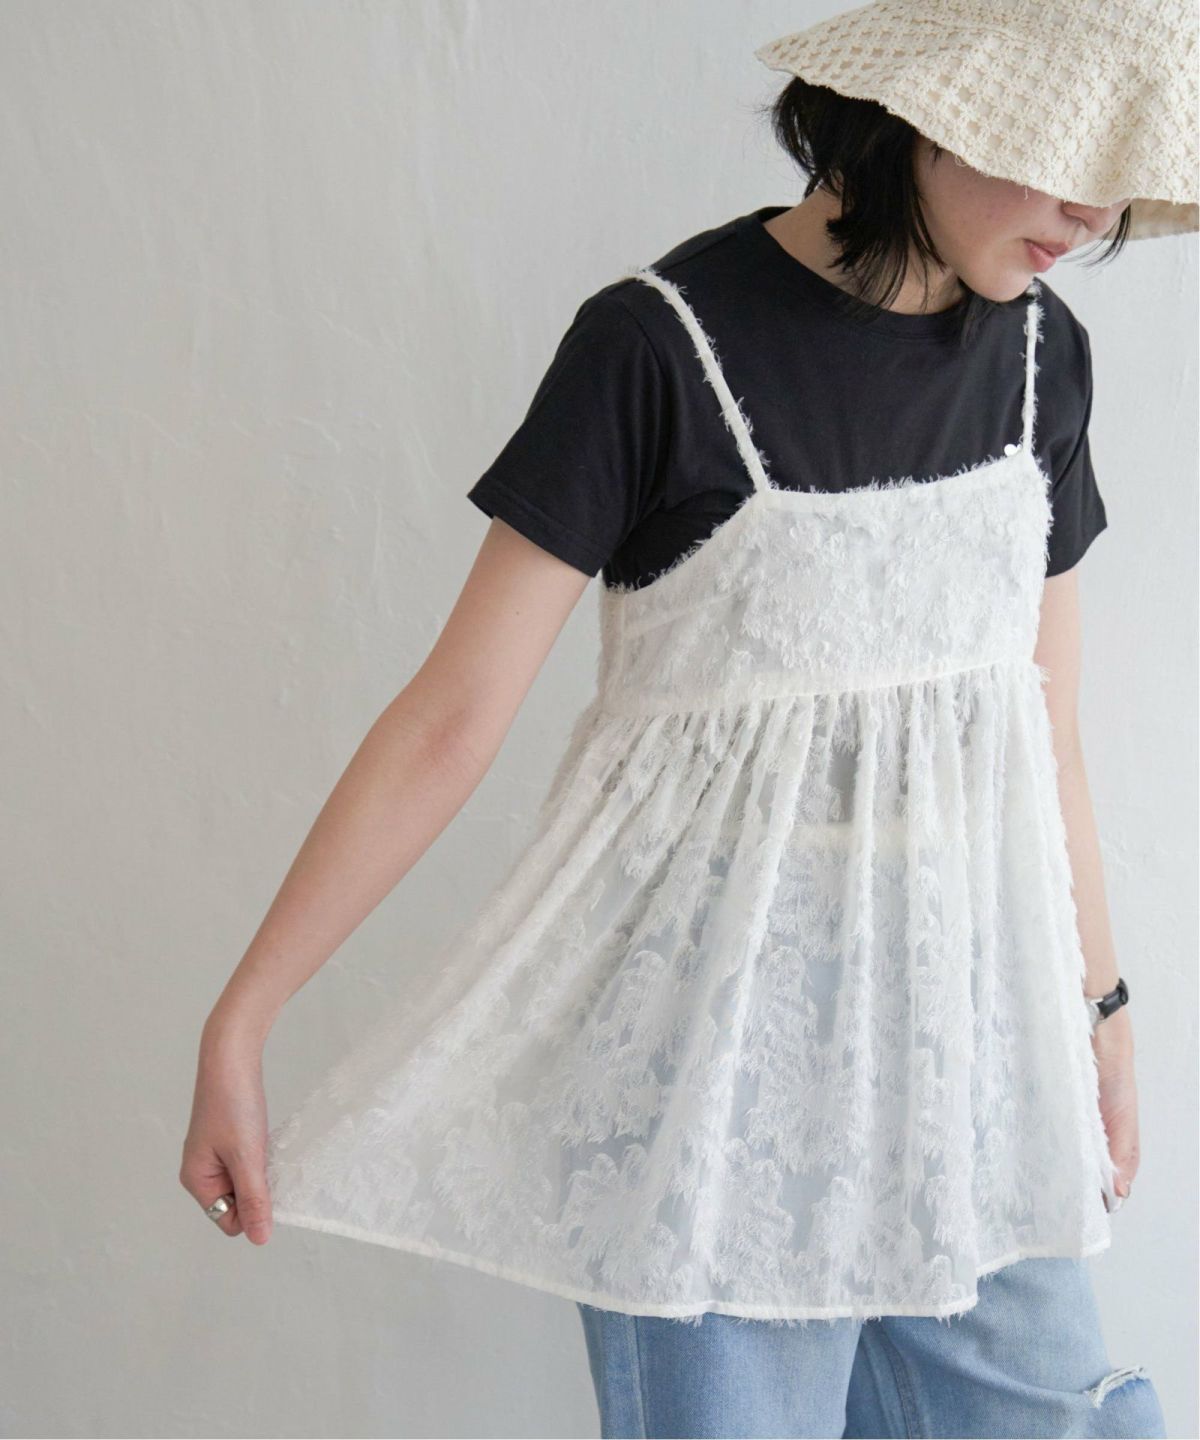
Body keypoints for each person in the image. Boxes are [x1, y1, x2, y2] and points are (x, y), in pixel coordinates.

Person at [180, 0, 1196, 1434]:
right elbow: (452, 719)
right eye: (1068, 152)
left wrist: (1102, 1015)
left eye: (1121, 172)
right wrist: (244, 1018)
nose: (1092, 213)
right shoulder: (660, 346)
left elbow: (1046, 734)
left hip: (972, 1055)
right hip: (718, 1097)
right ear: (938, 104)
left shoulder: (1044, 361)